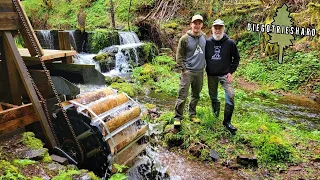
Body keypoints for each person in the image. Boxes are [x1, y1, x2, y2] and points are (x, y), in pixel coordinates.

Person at [205, 19, 240, 135]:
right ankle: (215, 116)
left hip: (225, 75)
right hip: (211, 75)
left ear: (223, 28)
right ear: (212, 29)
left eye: (220, 27)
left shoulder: (230, 43)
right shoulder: (208, 42)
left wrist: (231, 72)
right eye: (215, 27)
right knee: (213, 96)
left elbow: (237, 58)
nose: (217, 30)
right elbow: (202, 57)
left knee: (230, 95)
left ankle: (227, 122)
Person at [174, 14, 206, 128]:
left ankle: (192, 114)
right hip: (188, 72)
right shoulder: (185, 38)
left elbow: (206, 53)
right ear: (191, 24)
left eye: (199, 23)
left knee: (195, 95)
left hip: (200, 72)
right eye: (195, 23)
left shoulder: (204, 37)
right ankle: (177, 117)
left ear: (202, 25)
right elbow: (179, 55)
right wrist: (183, 69)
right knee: (182, 95)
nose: (197, 25)